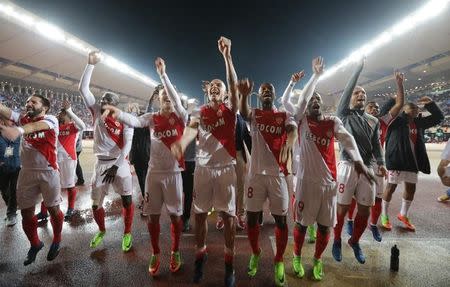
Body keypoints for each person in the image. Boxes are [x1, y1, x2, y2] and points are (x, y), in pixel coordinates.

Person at [283, 57, 372, 281]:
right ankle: (296, 256)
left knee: (324, 228)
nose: (314, 101)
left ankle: (317, 258)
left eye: (318, 99)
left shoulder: (332, 122)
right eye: (312, 98)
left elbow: (349, 140)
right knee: (302, 226)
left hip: (329, 185)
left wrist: (359, 162)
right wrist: (316, 76)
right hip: (305, 183)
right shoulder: (302, 120)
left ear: (321, 104)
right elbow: (302, 98)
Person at [104, 57, 188, 276]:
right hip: (153, 175)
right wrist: (118, 113)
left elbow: (177, 102)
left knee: (175, 217)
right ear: (160, 101)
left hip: (174, 175)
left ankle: (175, 251)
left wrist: (163, 75)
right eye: (164, 98)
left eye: (171, 98)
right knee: (152, 216)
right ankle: (156, 251)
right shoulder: (152, 117)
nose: (168, 101)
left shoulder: (181, 116)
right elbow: (135, 121)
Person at [171, 36, 238, 287]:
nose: (215, 87)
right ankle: (200, 254)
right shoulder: (200, 112)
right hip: (203, 170)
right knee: (199, 215)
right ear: (207, 90)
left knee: (229, 216)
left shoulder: (231, 109)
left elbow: (232, 80)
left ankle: (230, 265)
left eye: (219, 86)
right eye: (212, 85)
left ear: (226, 93)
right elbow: (190, 130)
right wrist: (181, 143)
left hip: (226, 169)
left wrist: (227, 56)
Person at [237, 74, 297, 287]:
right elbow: (242, 113)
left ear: (274, 94)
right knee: (252, 218)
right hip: (255, 176)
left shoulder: (283, 114)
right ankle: (256, 253)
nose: (267, 92)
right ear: (259, 95)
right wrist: (243, 95)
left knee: (281, 220)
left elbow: (292, 129)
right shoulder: (254, 114)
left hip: (277, 176)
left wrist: (289, 143)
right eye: (263, 90)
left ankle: (279, 259)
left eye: (270, 89)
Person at [78, 51, 135, 252]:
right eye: (102, 98)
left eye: (107, 99)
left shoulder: (124, 119)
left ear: (115, 104)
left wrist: (117, 166)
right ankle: (101, 230)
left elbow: (127, 146)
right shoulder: (95, 112)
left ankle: (127, 232)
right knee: (95, 204)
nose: (102, 100)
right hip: (100, 163)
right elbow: (83, 89)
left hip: (119, 164)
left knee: (127, 199)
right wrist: (90, 64)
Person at [0, 94, 64, 265]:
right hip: (26, 172)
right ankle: (35, 244)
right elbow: (5, 111)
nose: (28, 103)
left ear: (44, 107)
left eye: (33, 102)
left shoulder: (51, 119)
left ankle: (57, 239)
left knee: (54, 209)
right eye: (27, 101)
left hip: (48, 172)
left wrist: (19, 130)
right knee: (26, 213)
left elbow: (36, 126)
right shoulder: (23, 118)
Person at [332, 58, 382, 265]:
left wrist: (382, 162)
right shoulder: (343, 114)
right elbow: (346, 93)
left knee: (365, 209)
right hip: (347, 165)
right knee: (342, 210)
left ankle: (354, 241)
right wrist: (357, 70)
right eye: (357, 93)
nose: (361, 94)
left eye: (363, 93)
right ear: (350, 98)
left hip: (368, 168)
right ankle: (336, 240)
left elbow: (376, 144)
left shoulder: (373, 120)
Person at [347, 72, 405, 241]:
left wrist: (399, 83)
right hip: (357, 162)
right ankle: (350, 220)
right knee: (351, 196)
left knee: (377, 198)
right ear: (365, 108)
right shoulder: (357, 120)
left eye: (377, 108)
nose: (375, 109)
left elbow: (400, 104)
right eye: (371, 107)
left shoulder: (381, 122)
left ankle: (373, 225)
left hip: (377, 165)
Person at [382, 95, 443, 231]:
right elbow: (383, 114)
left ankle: (404, 214)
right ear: (404, 109)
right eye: (412, 107)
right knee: (390, 188)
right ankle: (384, 215)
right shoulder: (395, 121)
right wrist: (393, 101)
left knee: (411, 189)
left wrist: (431, 105)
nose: (416, 110)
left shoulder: (419, 123)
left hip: (413, 163)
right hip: (397, 161)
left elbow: (439, 118)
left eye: (417, 108)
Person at [56, 100, 86, 221]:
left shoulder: (73, 126)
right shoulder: (55, 126)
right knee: (51, 185)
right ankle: (44, 211)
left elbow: (83, 126)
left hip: (68, 159)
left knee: (69, 185)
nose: (59, 115)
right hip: (55, 159)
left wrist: (69, 110)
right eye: (59, 113)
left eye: (63, 114)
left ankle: (70, 208)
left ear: (69, 118)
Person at [0, 117, 20, 227]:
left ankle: (11, 213)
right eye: (9, 120)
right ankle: (11, 207)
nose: (12, 121)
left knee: (12, 190)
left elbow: (9, 149)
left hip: (14, 166)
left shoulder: (14, 132)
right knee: (3, 190)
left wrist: (3, 160)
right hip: (2, 169)